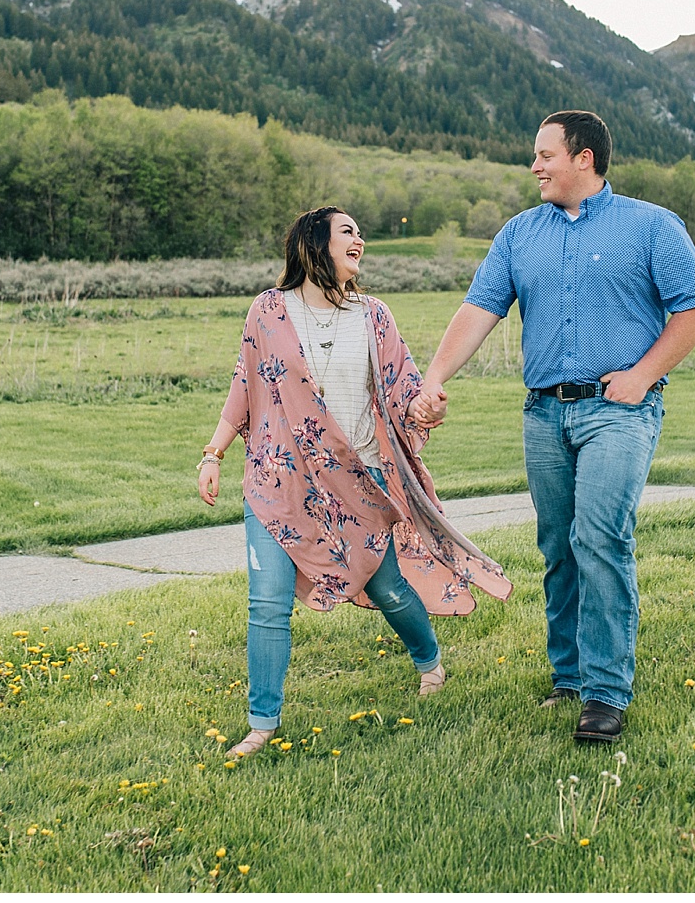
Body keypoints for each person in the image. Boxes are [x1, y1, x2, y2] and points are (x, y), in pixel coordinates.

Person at [412, 111, 695, 743]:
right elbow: (480, 309)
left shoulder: (651, 225)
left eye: (545, 155)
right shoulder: (520, 233)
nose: (535, 166)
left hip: (619, 410)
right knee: (558, 547)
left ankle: (607, 694)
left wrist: (642, 374)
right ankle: (570, 678)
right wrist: (435, 375)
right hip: (543, 411)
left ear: (584, 158)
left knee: (600, 536)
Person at [198, 206, 512, 758]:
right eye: (348, 231)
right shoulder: (268, 311)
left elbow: (403, 385)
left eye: (360, 232)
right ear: (314, 242)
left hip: (359, 482)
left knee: (389, 588)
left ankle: (428, 660)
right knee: (266, 603)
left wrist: (427, 406)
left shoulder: (374, 315)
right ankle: (261, 723)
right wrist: (214, 452)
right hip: (281, 482)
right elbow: (243, 386)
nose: (359, 238)